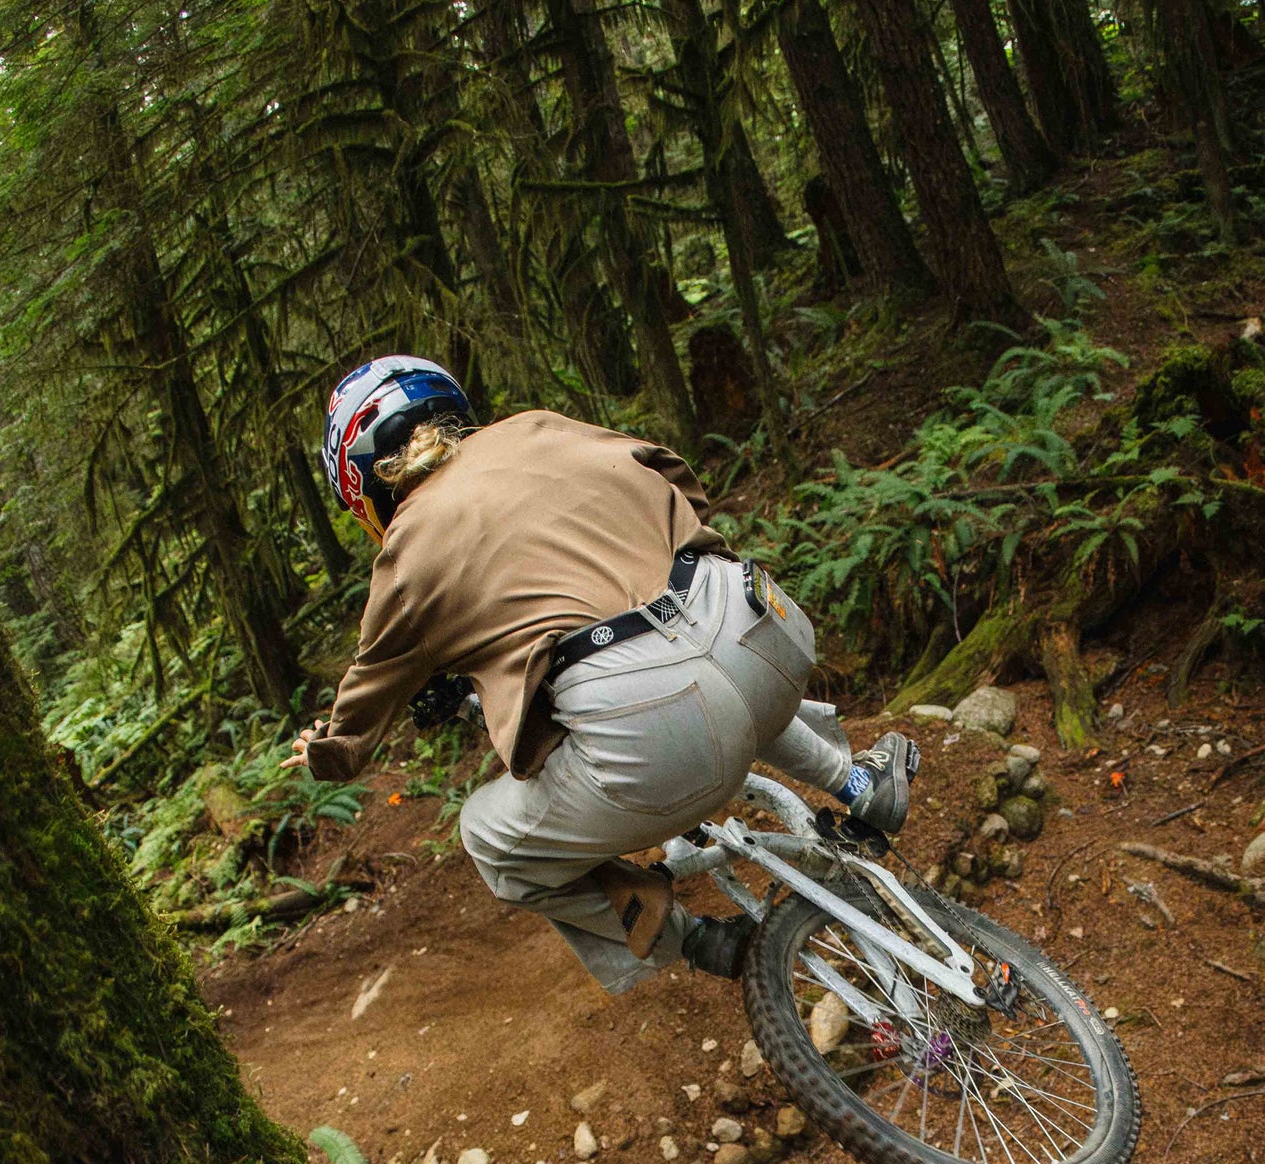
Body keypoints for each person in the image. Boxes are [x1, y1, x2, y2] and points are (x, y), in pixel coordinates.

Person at [286, 354, 918, 995]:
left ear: (362, 487)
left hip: (651, 719)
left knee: (488, 839)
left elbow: (369, 690)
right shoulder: (537, 426)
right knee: (705, 660)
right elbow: (670, 471)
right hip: (758, 621)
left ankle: (695, 939)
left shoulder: (408, 548)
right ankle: (858, 781)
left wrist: (326, 751)